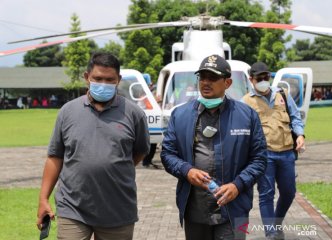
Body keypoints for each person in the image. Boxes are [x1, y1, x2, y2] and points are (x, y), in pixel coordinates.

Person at [36, 52, 150, 240]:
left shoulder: (133, 114)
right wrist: (43, 199)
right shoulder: (68, 112)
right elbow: (55, 157)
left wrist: (113, 167)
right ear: (87, 77)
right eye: (98, 78)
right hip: (73, 207)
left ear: (118, 80)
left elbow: (139, 152)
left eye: (109, 79)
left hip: (118, 209)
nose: (103, 84)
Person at [161, 54, 267, 240]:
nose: (206, 83)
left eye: (213, 78)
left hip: (234, 209)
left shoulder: (247, 115)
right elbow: (168, 154)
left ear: (227, 83)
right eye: (202, 77)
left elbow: (259, 159)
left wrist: (238, 185)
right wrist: (187, 171)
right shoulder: (180, 115)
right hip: (195, 210)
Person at [242, 62, 305, 240]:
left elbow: (294, 117)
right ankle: (271, 234)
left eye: (266, 77)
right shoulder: (246, 102)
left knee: (288, 192)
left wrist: (300, 135)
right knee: (266, 194)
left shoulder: (282, 94)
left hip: (286, 153)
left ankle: (277, 222)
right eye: (259, 78)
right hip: (264, 155)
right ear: (251, 79)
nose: (263, 81)